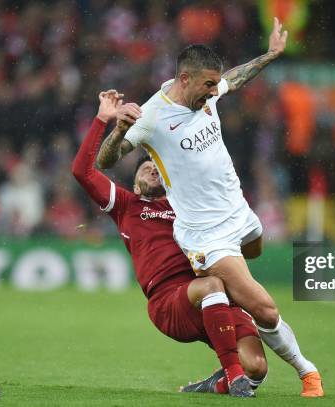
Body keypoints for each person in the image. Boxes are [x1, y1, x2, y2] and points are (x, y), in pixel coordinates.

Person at [96, 18, 323, 397]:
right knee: (265, 309)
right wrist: (118, 129)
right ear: (184, 79)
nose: (214, 92)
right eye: (207, 85)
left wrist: (270, 55)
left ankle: (236, 294)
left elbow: (235, 77)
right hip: (205, 234)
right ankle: (308, 373)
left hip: (238, 212)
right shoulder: (152, 117)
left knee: (256, 249)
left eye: (215, 85)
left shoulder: (210, 90)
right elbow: (106, 161)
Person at [72, 90, 268, 397]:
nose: (152, 166)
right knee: (213, 285)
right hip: (169, 302)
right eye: (144, 165)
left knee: (256, 366)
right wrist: (102, 120)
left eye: (156, 165)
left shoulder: (187, 204)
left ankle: (218, 382)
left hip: (213, 296)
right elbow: (82, 172)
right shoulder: (126, 205)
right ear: (135, 180)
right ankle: (234, 375)